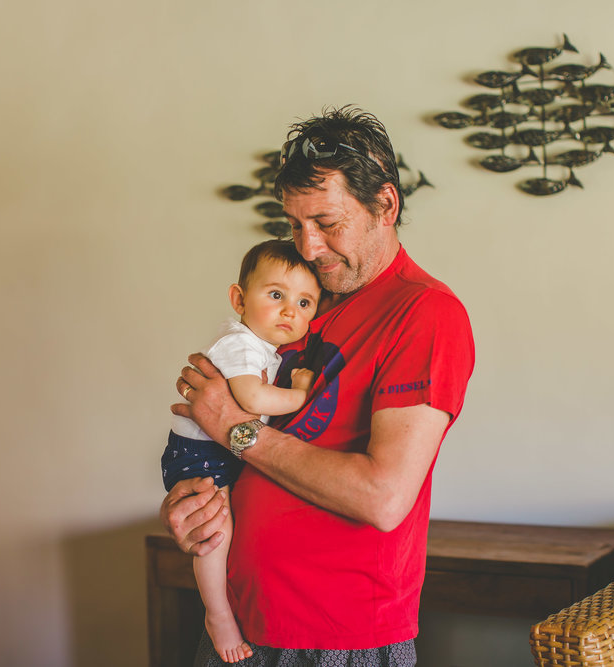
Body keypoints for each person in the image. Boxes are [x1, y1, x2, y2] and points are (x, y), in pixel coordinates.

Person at [163, 106, 475, 667]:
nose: (308, 247)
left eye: (328, 224)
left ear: (385, 205)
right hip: (238, 620)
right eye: (295, 224)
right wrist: (196, 505)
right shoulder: (304, 303)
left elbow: (382, 497)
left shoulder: (426, 314)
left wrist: (231, 427)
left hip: (335, 638)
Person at [162, 239, 322, 663]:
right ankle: (217, 616)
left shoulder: (262, 346)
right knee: (216, 532)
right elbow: (251, 399)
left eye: (305, 302)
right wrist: (299, 394)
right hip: (201, 455)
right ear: (239, 298)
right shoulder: (239, 343)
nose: (292, 311)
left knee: (221, 527)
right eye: (276, 295)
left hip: (216, 452)